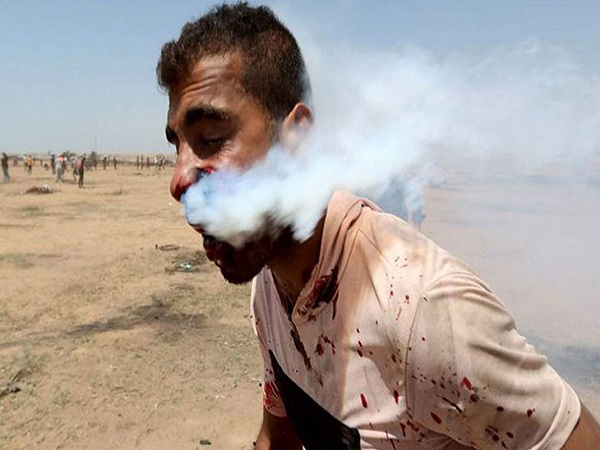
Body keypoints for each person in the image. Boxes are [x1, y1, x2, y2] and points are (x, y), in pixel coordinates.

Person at [158, 4, 600, 449]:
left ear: (298, 135)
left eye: (211, 139)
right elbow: (278, 434)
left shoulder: (424, 312)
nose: (179, 181)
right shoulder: (271, 286)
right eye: (178, 146)